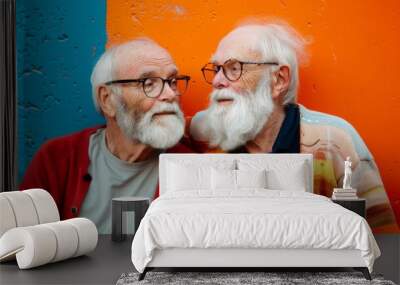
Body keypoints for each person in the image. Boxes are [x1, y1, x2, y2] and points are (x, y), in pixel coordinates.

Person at [189, 21, 398, 231]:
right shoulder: (208, 130)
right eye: (216, 69)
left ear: (279, 80)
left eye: (234, 68)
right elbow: (162, 127)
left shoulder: (336, 140)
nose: (216, 80)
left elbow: (381, 235)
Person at [20, 38, 192, 233]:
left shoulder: (190, 166)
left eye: (173, 81)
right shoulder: (56, 159)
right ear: (108, 100)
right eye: (148, 83)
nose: (170, 94)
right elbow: (22, 244)